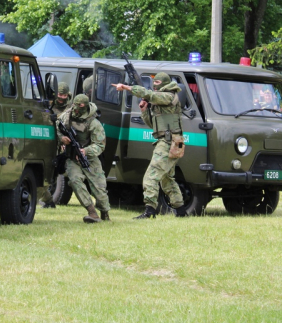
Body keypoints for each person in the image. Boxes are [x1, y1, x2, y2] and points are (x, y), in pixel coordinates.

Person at [114, 72, 186, 218]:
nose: (155, 86)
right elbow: (153, 126)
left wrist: (127, 88)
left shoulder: (169, 96)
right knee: (167, 179)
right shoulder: (161, 101)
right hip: (167, 141)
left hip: (168, 143)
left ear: (165, 84)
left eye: (158, 83)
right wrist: (144, 110)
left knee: (150, 177)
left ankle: (150, 211)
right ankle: (181, 211)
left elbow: (151, 95)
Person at [55, 94, 110, 223]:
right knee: (75, 181)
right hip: (71, 157)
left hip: (89, 157)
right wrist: (61, 139)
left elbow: (100, 145)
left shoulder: (93, 123)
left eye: (80, 107)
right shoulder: (66, 117)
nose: (77, 110)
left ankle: (105, 213)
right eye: (75, 106)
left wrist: (86, 151)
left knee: (99, 187)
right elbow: (55, 128)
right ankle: (92, 212)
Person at [42, 83, 73, 209]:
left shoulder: (70, 108)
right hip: (48, 142)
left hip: (62, 146)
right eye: (60, 95)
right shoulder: (48, 104)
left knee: (55, 173)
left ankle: (49, 200)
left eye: (65, 95)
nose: (62, 98)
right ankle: (48, 200)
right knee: (44, 175)